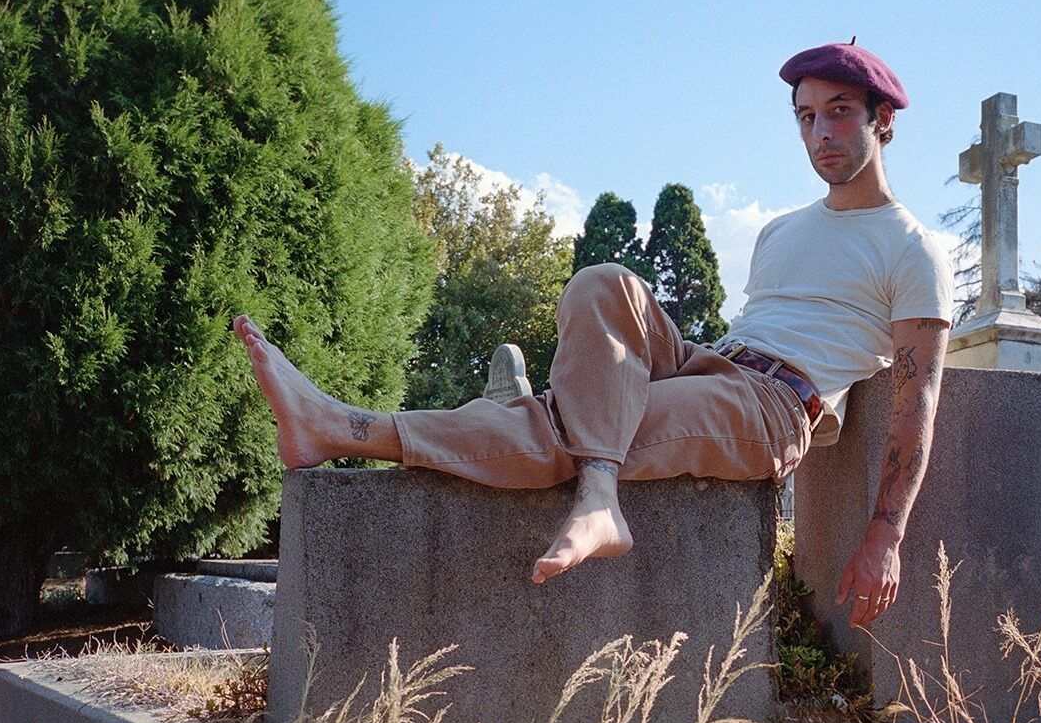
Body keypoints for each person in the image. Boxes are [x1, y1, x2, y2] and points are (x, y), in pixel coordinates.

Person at [233, 39, 952, 627]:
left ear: (883, 119)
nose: (820, 133)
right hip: (711, 361)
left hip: (771, 407)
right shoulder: (780, 231)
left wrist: (883, 537)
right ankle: (599, 493)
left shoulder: (913, 247)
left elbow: (916, 403)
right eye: (806, 116)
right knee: (602, 281)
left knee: (570, 425)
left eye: (840, 113)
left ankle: (338, 428)